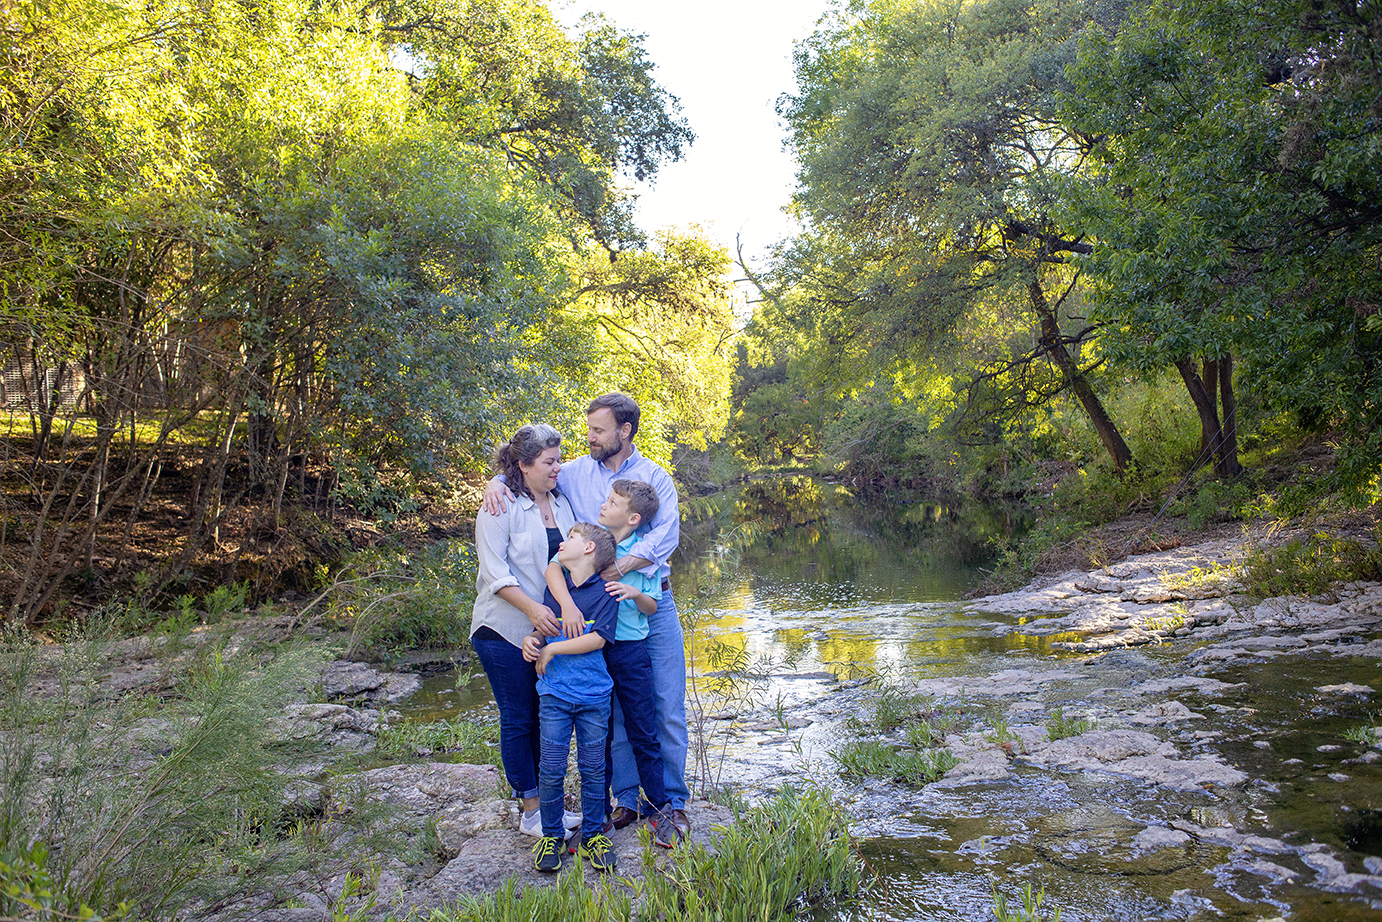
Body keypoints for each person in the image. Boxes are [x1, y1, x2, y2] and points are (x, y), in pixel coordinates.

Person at [484, 393, 690, 837]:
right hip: (599, 609)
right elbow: (529, 474)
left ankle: (671, 801)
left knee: (666, 705)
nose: (590, 437)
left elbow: (666, 538)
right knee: (613, 707)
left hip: (650, 602)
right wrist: (497, 483)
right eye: (589, 429)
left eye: (598, 430)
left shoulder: (655, 477)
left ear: (624, 430)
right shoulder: (574, 472)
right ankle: (628, 799)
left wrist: (622, 568)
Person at [545, 479, 678, 847]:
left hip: (630, 651)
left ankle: (659, 810)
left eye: (613, 501)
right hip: (593, 652)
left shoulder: (640, 552)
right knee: (596, 738)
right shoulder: (592, 544)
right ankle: (597, 818)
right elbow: (555, 566)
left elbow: (652, 606)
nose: (605, 504)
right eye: (607, 498)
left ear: (633, 517)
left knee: (642, 729)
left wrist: (635, 592)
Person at [467, 424, 581, 838]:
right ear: (524, 464)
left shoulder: (562, 501)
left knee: (545, 717)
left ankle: (549, 807)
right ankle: (531, 813)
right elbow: (494, 572)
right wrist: (534, 610)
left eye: (559, 459)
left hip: (546, 632)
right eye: (550, 461)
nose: (558, 467)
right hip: (503, 629)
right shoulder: (500, 505)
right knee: (519, 719)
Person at [521, 522, 620, 873]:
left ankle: (594, 834)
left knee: (593, 769)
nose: (563, 542)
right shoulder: (556, 588)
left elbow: (598, 640)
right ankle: (551, 835)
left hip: (594, 697)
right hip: (555, 694)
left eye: (572, 538)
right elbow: (542, 629)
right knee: (550, 768)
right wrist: (533, 642)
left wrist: (553, 650)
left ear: (590, 548)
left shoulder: (606, 592)